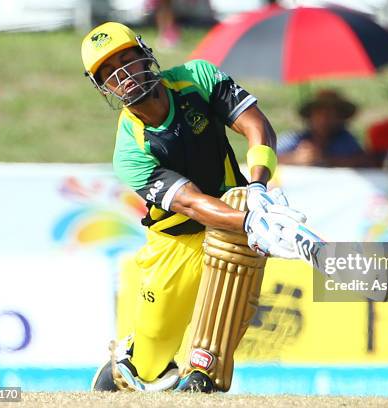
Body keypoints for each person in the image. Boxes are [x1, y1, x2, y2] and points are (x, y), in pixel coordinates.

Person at [80, 22, 303, 393]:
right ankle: (124, 369)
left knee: (232, 303)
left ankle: (204, 376)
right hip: (175, 242)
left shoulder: (197, 77)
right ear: (103, 86)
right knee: (152, 358)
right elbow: (193, 203)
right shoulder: (130, 151)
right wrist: (252, 222)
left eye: (125, 59)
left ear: (144, 55)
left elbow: (257, 127)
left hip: (233, 221)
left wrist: (260, 189)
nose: (123, 74)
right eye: (109, 71)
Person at [277, 89, 368, 167]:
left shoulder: (346, 139)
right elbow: (269, 157)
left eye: (331, 114)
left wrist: (325, 160)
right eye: (320, 113)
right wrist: (294, 159)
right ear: (310, 116)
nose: (324, 119)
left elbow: (364, 161)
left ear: (341, 117)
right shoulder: (296, 138)